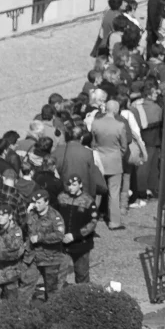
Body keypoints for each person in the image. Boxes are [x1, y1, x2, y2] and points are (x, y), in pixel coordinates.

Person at [91, 100, 130, 230]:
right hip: (114, 160)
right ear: (116, 110)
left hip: (99, 160)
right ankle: (114, 222)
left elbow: (93, 143)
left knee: (97, 192)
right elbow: (124, 146)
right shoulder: (120, 126)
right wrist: (118, 155)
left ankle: (91, 219)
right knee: (114, 192)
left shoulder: (96, 123)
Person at [24, 188, 66, 301]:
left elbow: (59, 235)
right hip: (33, 257)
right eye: (35, 202)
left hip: (50, 258)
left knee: (51, 290)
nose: (36, 205)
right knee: (26, 286)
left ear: (46, 202)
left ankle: (50, 313)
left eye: (39, 202)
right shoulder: (32, 214)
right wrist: (27, 214)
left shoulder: (54, 216)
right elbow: (24, 228)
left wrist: (40, 238)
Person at [57, 175, 99, 285]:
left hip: (81, 244)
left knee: (82, 276)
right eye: (69, 185)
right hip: (63, 243)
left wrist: (75, 235)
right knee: (59, 275)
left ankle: (83, 299)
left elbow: (93, 222)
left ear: (80, 185)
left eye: (74, 185)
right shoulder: (62, 197)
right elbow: (55, 217)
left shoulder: (88, 201)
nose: (71, 187)